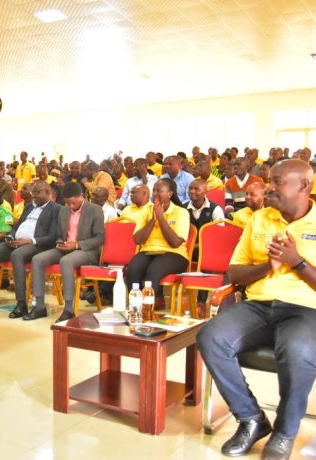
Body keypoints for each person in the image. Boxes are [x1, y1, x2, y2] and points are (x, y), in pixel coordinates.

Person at [197, 160, 316, 460]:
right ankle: (251, 419)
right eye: (269, 180)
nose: (269, 188)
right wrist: (268, 266)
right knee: (211, 336)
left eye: (278, 182)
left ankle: (285, 432)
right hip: (259, 306)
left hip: (305, 310)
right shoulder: (260, 218)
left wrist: (296, 261)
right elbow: (235, 273)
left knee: (298, 349)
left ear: (304, 185)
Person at [0, 181, 61, 316]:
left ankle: (21, 304)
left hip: (35, 245)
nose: (34, 196)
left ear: (47, 192)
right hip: (15, 242)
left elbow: (53, 236)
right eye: (33, 193)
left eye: (37, 193)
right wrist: (10, 236)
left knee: (17, 255)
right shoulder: (29, 207)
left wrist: (29, 241)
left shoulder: (56, 209)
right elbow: (16, 227)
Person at [27, 182, 105, 322]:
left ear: (82, 196)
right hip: (65, 248)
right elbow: (59, 234)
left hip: (86, 250)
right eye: (68, 203)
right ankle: (39, 307)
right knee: (37, 259)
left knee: (66, 261)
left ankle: (69, 310)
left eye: (73, 202)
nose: (71, 206)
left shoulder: (95, 210)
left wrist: (77, 245)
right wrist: (59, 242)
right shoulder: (63, 210)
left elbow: (100, 238)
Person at [126, 178, 190, 306]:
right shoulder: (147, 210)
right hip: (148, 251)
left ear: (169, 194)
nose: (155, 194)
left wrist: (161, 219)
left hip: (174, 254)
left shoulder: (181, 212)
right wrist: (153, 220)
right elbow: (138, 240)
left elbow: (175, 242)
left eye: (159, 191)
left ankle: (147, 306)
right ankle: (136, 305)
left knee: (154, 270)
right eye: (154, 190)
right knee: (133, 269)